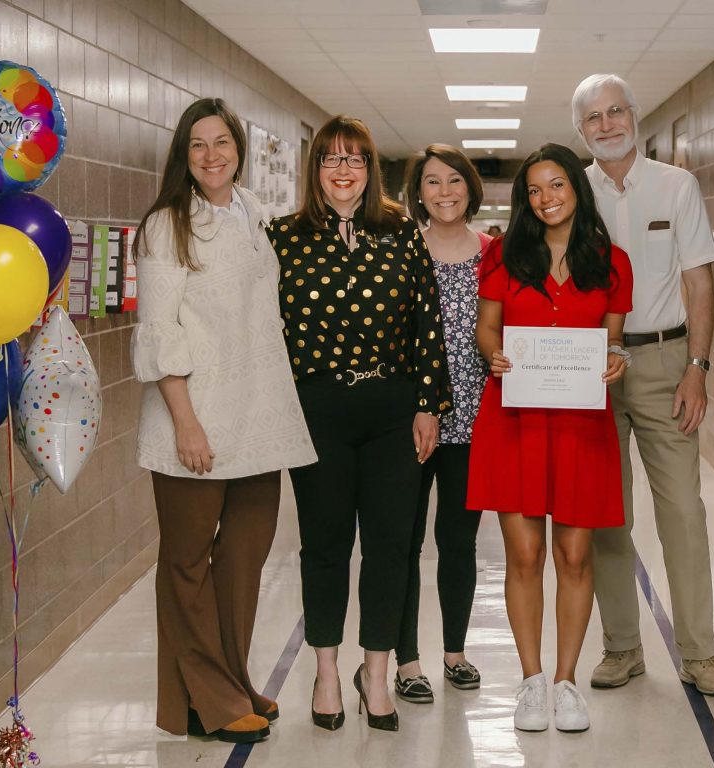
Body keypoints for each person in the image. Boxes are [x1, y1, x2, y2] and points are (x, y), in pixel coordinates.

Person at [131, 97, 317, 744]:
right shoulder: (166, 227)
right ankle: (210, 698)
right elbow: (157, 332)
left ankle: (228, 682)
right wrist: (186, 422)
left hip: (259, 421)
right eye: (197, 146)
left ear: (239, 149)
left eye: (222, 143)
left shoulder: (255, 216)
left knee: (243, 557)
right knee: (186, 564)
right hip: (196, 421)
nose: (212, 156)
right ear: (184, 157)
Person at [267, 116, 451, 733]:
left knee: (390, 547)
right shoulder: (284, 237)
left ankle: (375, 673)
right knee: (324, 547)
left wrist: (429, 403)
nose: (344, 170)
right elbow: (267, 333)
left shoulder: (401, 231)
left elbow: (428, 320)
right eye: (331, 159)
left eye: (356, 160)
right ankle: (324, 671)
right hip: (317, 411)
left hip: (392, 411)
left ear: (370, 171)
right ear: (314, 168)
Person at [572, 73, 714, 695]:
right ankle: (622, 648)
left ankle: (699, 654)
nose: (608, 124)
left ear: (635, 116)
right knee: (608, 515)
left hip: (666, 362)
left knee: (683, 512)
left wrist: (698, 368)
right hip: (591, 370)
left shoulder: (677, 185)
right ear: (581, 130)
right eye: (594, 117)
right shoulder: (573, 192)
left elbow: (700, 282)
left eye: (617, 111)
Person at [466, 143, 633, 733]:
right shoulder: (504, 258)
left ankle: (566, 682)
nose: (546, 199)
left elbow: (613, 337)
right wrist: (496, 356)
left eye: (556, 185)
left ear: (576, 189)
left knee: (574, 553)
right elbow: (488, 329)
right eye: (534, 190)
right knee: (526, 554)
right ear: (523, 199)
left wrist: (615, 358)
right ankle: (531, 681)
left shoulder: (611, 262)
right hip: (514, 420)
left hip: (581, 424)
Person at [393, 144, 491, 704]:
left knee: (459, 541)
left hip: (476, 423)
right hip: (412, 421)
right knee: (403, 543)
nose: (445, 191)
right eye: (432, 182)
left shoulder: (495, 254)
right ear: (419, 192)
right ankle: (407, 661)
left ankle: (454, 652)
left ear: (470, 187)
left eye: (455, 180)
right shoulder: (401, 250)